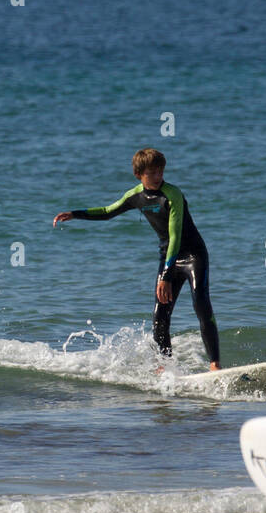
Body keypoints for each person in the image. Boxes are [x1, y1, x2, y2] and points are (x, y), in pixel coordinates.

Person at [54, 149, 222, 370]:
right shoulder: (135, 196)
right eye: (152, 173)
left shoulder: (173, 195)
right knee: (159, 315)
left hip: (192, 255)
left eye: (160, 171)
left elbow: (175, 236)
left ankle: (215, 364)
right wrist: (75, 214)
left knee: (201, 303)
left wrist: (166, 276)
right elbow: (107, 211)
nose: (158, 176)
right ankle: (166, 365)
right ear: (138, 174)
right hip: (167, 258)